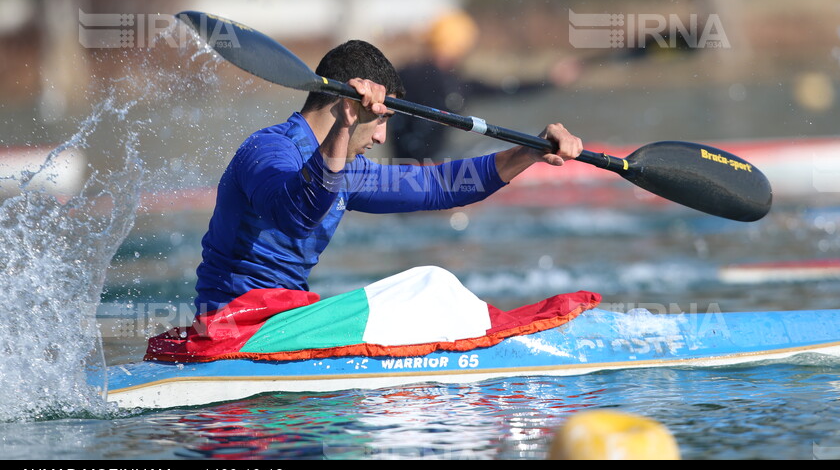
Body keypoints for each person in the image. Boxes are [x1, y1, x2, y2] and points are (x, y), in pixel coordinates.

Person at [193, 38, 583, 314]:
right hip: (233, 325)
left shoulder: (350, 169)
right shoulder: (267, 151)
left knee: (433, 282)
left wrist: (528, 152)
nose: (381, 136)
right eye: (378, 121)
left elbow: (440, 186)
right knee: (430, 285)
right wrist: (345, 127)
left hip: (283, 320)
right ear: (349, 107)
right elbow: (297, 215)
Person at [390, 11, 581, 161]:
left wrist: (548, 80)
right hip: (432, 166)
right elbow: (507, 90)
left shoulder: (405, 73)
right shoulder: (454, 84)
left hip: (405, 164)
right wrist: (549, 81)